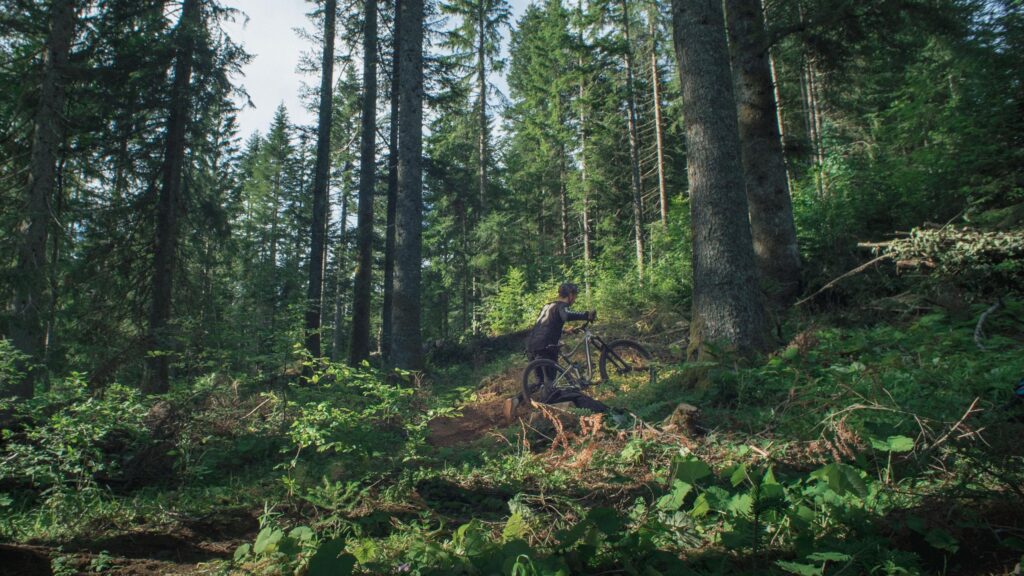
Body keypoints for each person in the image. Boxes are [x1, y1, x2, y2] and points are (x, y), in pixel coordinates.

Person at [504, 283, 608, 421]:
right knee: (549, 383)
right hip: (546, 346)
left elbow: (545, 324)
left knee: (540, 381)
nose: (575, 299)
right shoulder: (561, 306)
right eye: (575, 295)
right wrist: (585, 315)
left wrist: (566, 331)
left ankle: (516, 400)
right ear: (570, 295)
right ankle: (543, 416)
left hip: (532, 345)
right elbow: (565, 316)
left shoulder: (548, 306)